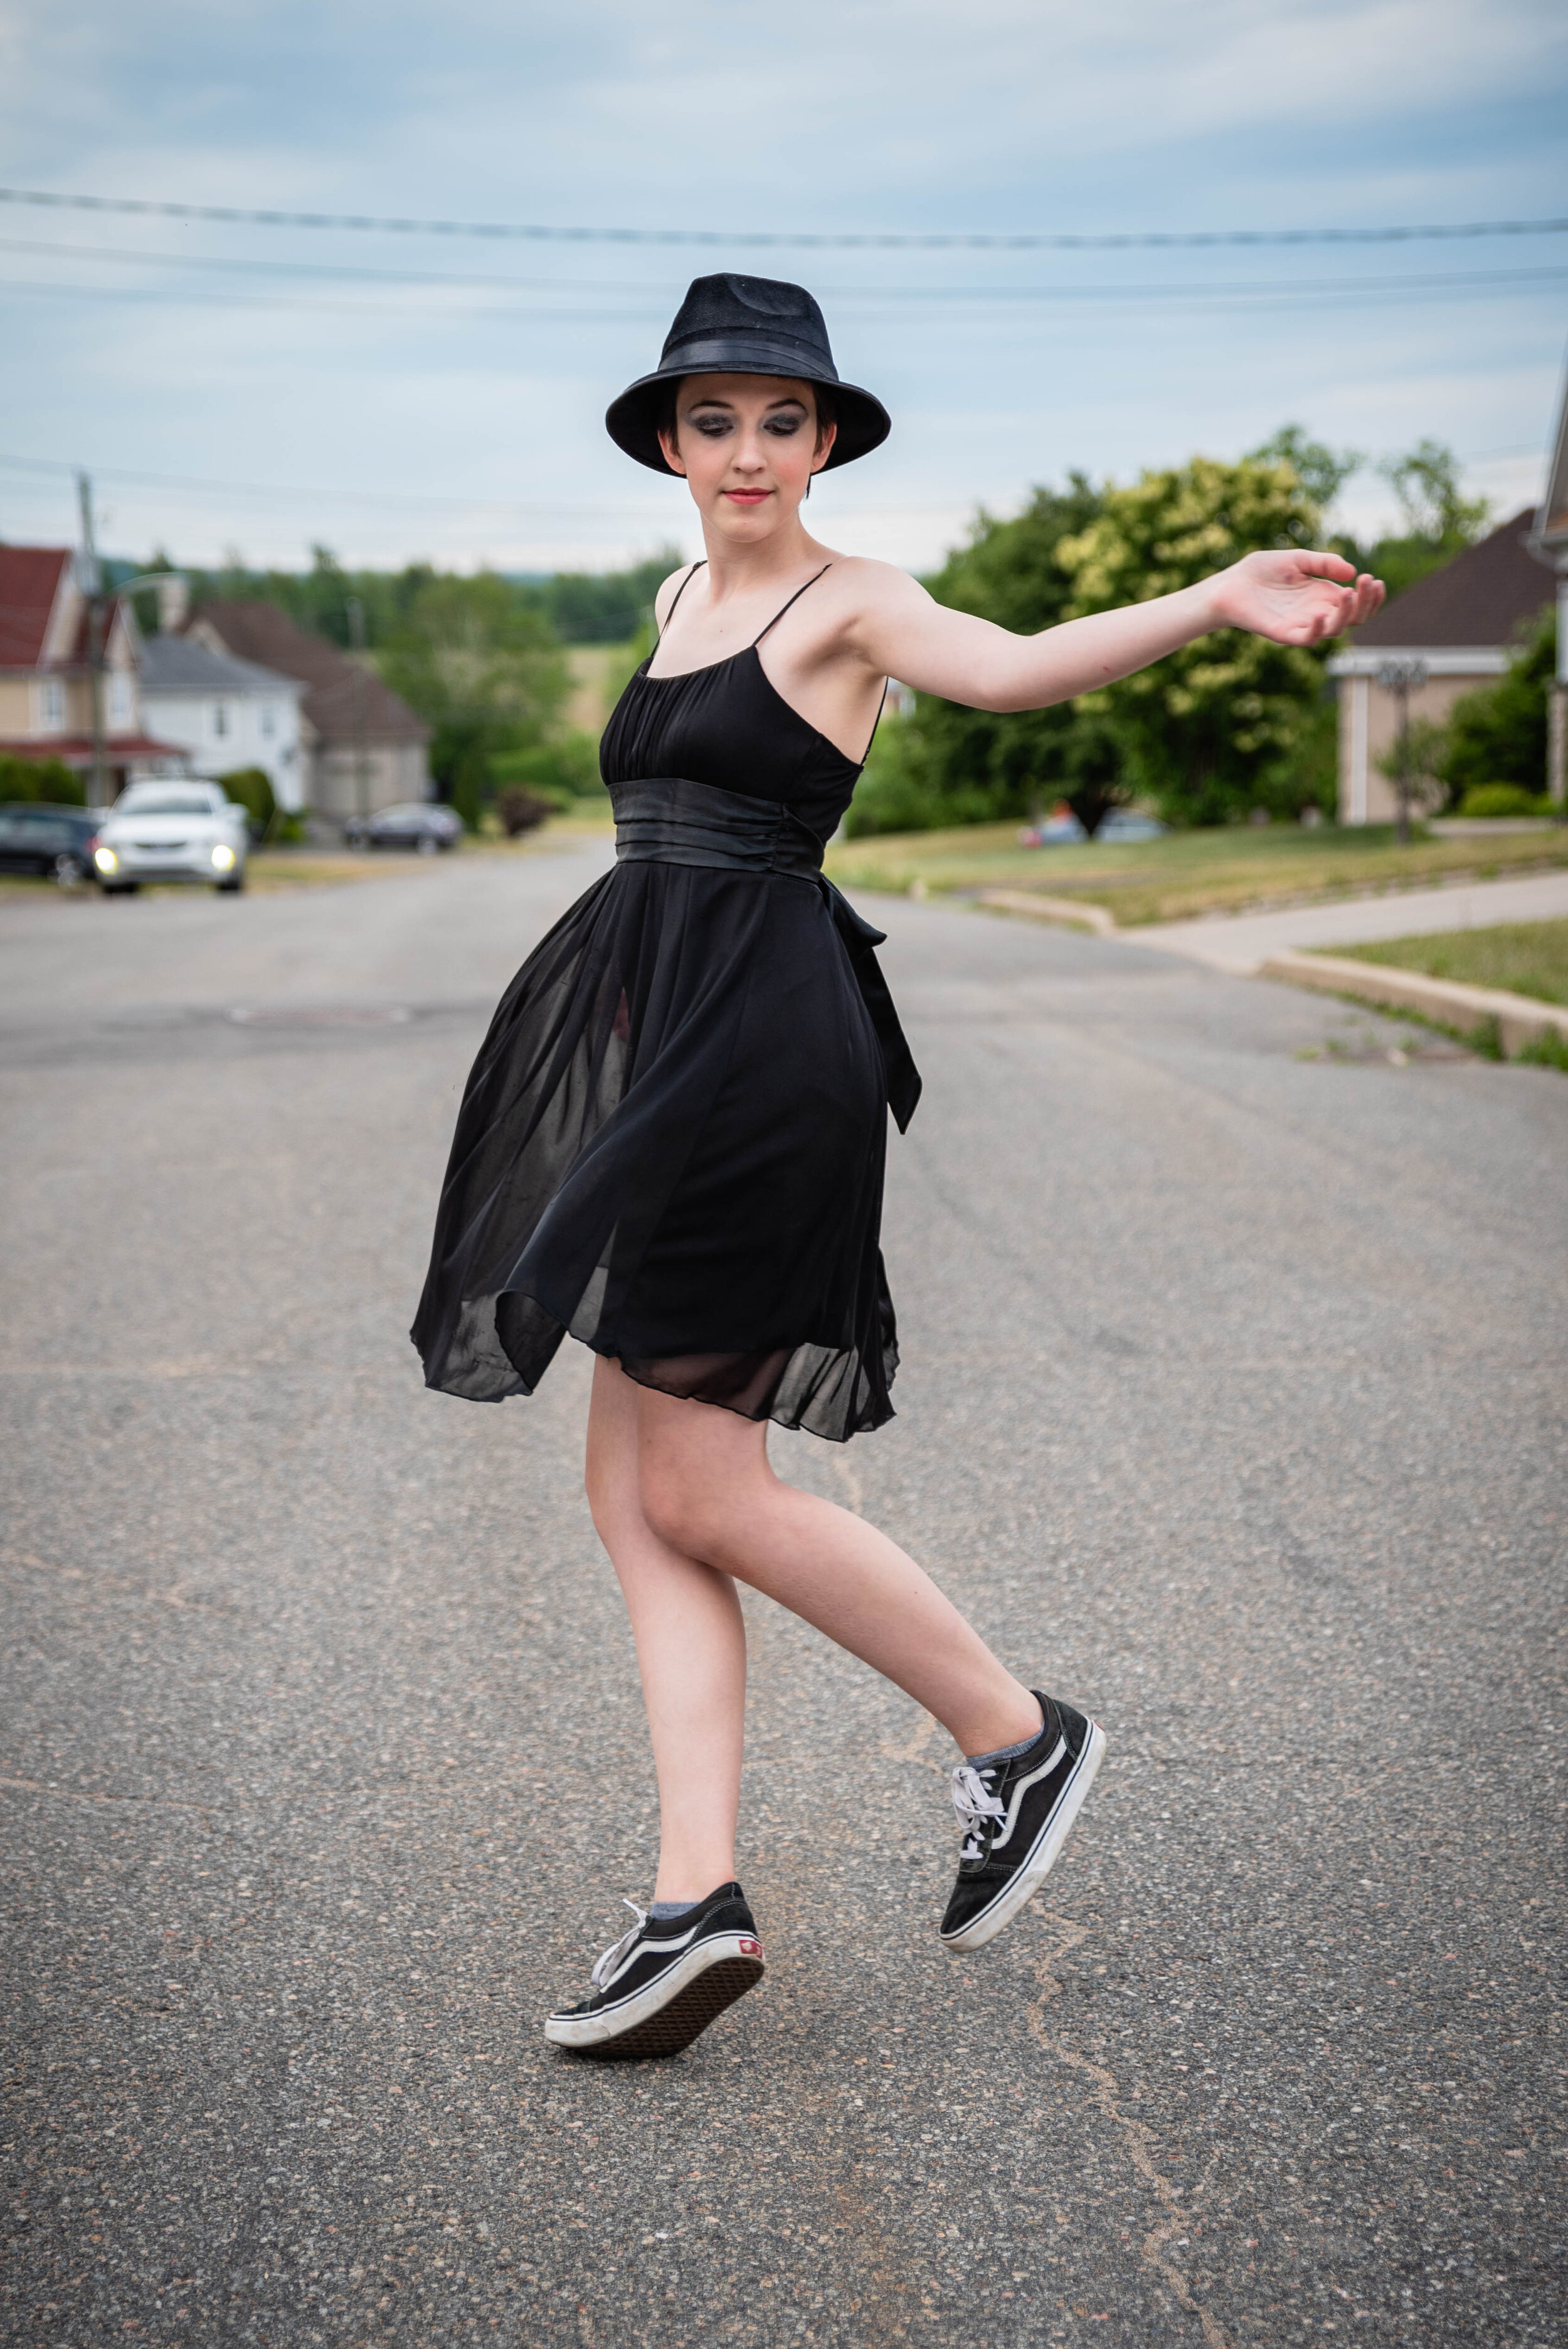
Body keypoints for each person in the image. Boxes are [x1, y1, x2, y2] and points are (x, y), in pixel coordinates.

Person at [412, 273, 1384, 2060]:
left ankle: (1015, 1733)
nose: (748, 451)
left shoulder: (852, 602)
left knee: (702, 1487)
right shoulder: (680, 598)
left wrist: (1211, 598)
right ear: (669, 444)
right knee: (631, 1491)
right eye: (715, 420)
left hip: (758, 1059)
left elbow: (1008, 669)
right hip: (665, 1052)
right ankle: (692, 1899)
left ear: (825, 442)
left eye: (782, 421)